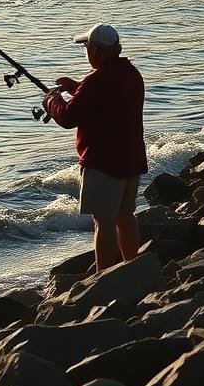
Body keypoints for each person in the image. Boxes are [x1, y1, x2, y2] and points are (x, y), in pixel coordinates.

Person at [43, 23, 147, 272]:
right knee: (125, 215)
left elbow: (68, 117)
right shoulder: (131, 73)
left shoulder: (97, 81)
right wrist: (76, 87)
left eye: (86, 47)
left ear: (97, 51)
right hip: (131, 158)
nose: (86, 53)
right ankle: (133, 267)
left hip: (104, 162)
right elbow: (107, 97)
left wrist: (52, 101)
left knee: (104, 222)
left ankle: (105, 276)